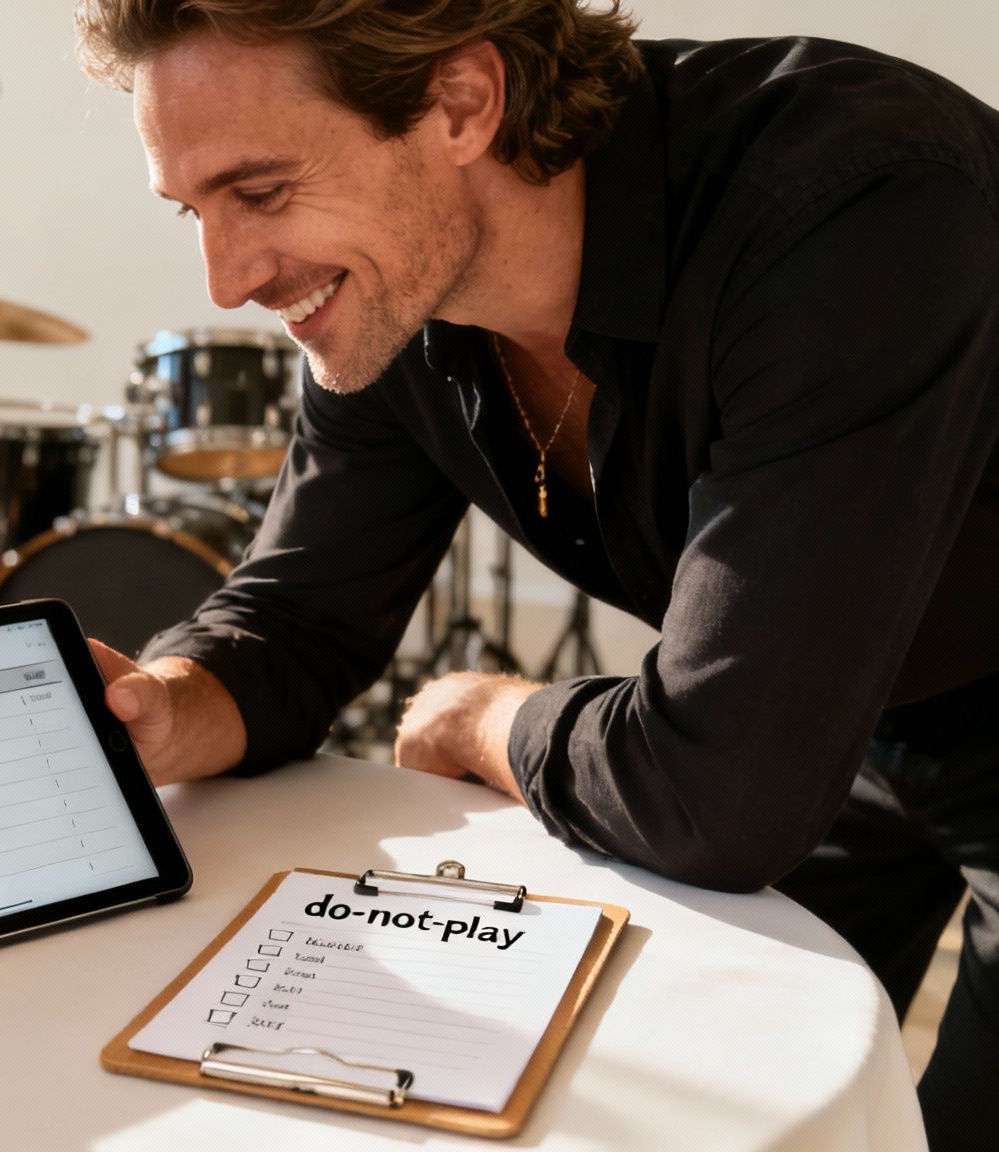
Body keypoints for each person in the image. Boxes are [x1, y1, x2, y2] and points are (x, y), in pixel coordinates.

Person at [72, 1, 999, 1145]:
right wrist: (165, 707)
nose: (226, 280)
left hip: (832, 719)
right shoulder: (391, 296)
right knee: (688, 1105)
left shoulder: (851, 199)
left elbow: (718, 791)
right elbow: (301, 618)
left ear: (462, 101)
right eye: (192, 209)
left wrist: (482, 718)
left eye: (259, 193)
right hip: (822, 714)